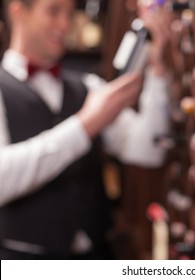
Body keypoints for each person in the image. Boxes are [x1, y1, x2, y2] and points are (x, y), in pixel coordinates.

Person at [0, 0, 172, 259]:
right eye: (54, 11)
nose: (65, 25)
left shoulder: (89, 86)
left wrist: (158, 71)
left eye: (70, 14)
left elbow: (148, 150)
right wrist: (85, 124)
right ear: (18, 11)